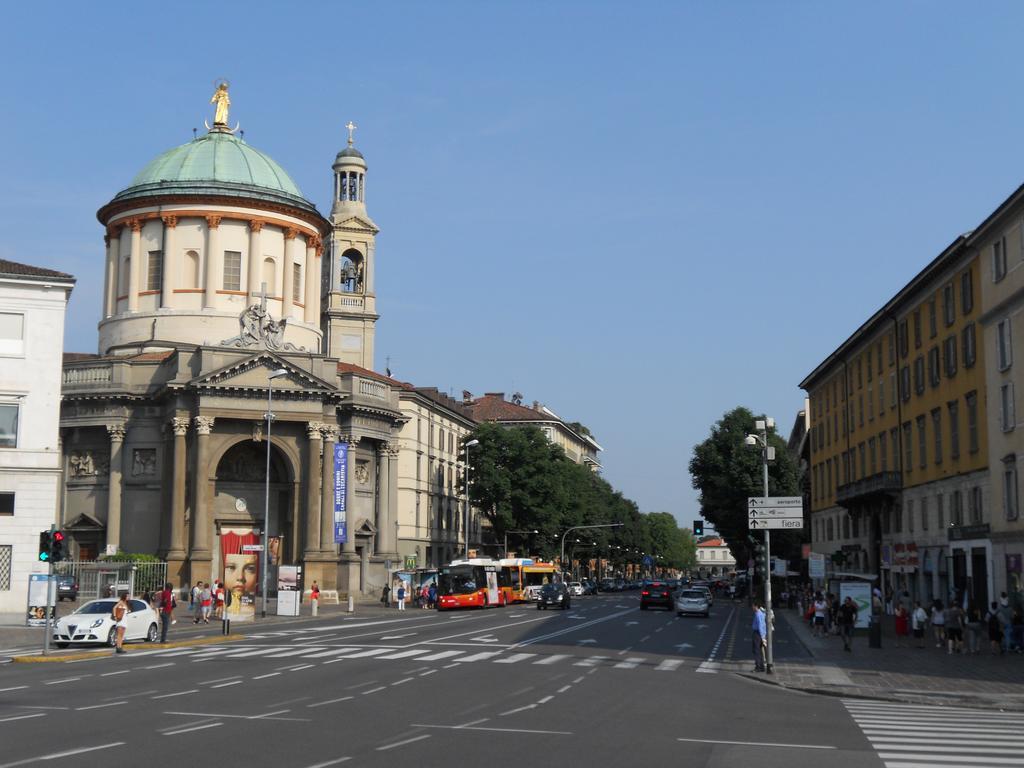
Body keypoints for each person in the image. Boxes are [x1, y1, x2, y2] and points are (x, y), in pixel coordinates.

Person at [752, 600, 767, 671]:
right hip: (761, 633)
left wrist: (762, 636)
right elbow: (763, 625)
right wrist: (764, 635)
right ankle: (762, 666)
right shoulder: (762, 613)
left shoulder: (757, 614)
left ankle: (758, 666)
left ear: (756, 606)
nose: (752, 607)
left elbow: (760, 626)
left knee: (756, 650)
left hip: (757, 633)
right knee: (760, 650)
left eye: (753, 606)